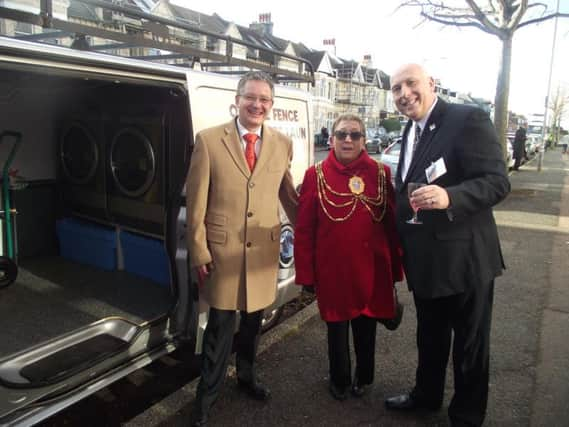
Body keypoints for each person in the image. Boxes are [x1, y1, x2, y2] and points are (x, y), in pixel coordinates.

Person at [384, 64, 510, 427]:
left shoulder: (466, 118)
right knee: (430, 336)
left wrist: (450, 197)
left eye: (411, 84)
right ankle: (426, 396)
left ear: (431, 84)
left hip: (465, 259)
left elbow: (497, 182)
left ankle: (467, 416)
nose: (403, 93)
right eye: (396, 89)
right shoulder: (410, 131)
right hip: (425, 260)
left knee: (470, 345)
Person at [185, 71, 298, 426]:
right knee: (219, 329)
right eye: (251, 97)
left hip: (262, 254)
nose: (257, 105)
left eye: (264, 99)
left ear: (271, 105)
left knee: (253, 325)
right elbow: (196, 203)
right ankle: (207, 397)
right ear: (237, 100)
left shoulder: (282, 143)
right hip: (223, 254)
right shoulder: (208, 141)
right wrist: (199, 251)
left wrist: (314, 226)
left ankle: (247, 377)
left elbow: (287, 193)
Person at [294, 113, 403, 401]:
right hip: (333, 271)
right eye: (342, 134)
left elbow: (391, 224)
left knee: (367, 327)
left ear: (364, 140)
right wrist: (306, 275)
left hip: (373, 268)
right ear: (331, 139)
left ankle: (364, 378)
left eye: (355, 135)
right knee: (336, 329)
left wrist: (396, 269)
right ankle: (340, 379)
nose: (348, 139)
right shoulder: (314, 175)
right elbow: (304, 229)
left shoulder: (381, 173)